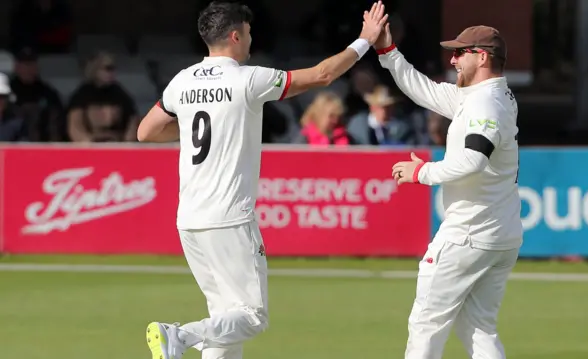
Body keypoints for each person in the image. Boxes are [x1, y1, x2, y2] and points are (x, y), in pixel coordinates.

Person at [136, 2, 388, 359]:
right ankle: (178, 335)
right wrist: (363, 41)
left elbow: (146, 132)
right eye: (249, 32)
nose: (251, 39)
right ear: (235, 35)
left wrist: (197, 123)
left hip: (189, 219)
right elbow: (321, 76)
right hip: (229, 218)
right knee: (252, 317)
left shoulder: (183, 80)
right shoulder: (247, 79)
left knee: (226, 319)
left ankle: (181, 337)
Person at [383, 25, 523, 359]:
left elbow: (473, 159)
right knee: (478, 328)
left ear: (483, 56)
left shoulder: (485, 105)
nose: (453, 58)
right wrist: (388, 52)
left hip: (468, 234)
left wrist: (422, 172)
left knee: (426, 323)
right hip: (499, 234)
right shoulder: (483, 95)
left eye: (461, 52)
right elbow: (425, 91)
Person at [67, 52, 139, 142]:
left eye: (113, 69)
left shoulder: (120, 94)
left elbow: (132, 121)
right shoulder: (82, 95)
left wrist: (127, 144)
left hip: (115, 144)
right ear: (95, 69)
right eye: (107, 69)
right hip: (91, 144)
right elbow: (75, 126)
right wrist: (87, 144)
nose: (111, 73)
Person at [347, 84, 415, 146]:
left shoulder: (403, 127)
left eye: (389, 107)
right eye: (381, 107)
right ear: (372, 107)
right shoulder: (357, 124)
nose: (385, 111)